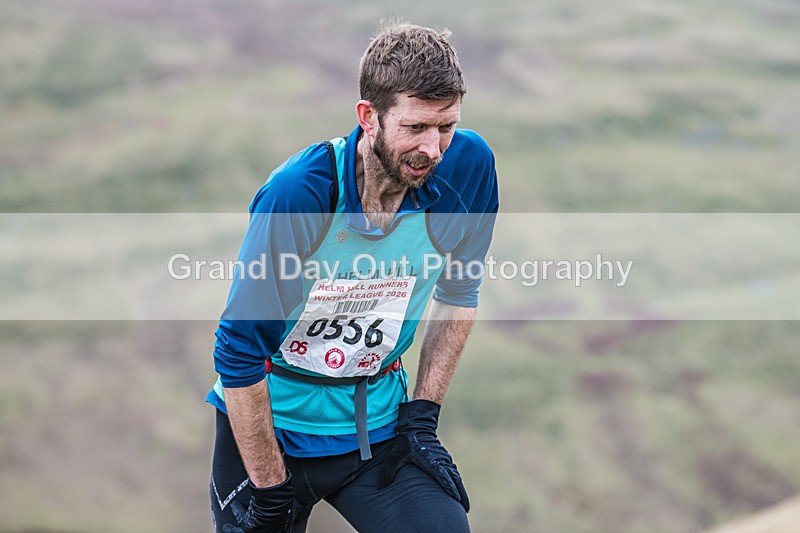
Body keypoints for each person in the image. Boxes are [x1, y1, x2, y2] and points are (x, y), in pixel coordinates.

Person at [207, 21, 499, 533]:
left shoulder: (468, 168)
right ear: (369, 116)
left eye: (445, 126)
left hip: (379, 431)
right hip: (272, 431)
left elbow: (459, 291)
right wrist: (272, 491)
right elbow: (238, 350)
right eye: (415, 128)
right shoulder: (300, 194)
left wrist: (424, 417)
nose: (433, 149)